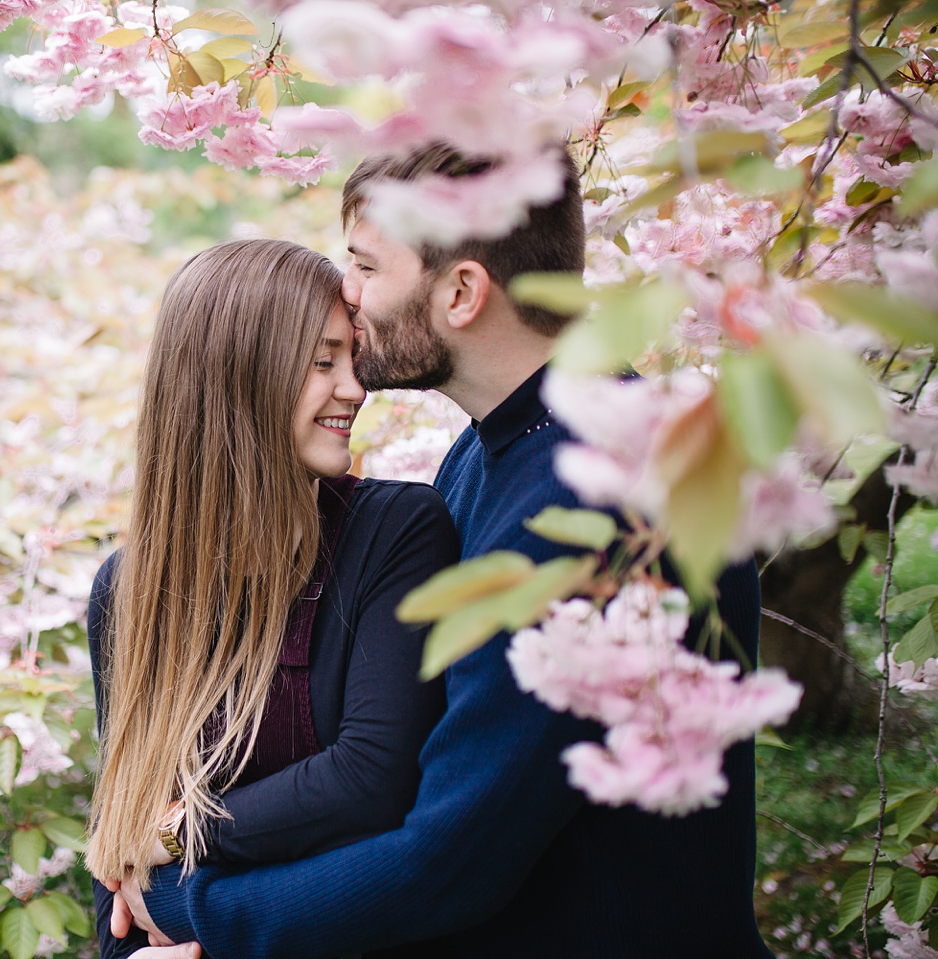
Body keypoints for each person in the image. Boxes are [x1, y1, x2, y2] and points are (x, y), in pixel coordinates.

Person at [108, 145, 775, 958]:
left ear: (460, 291)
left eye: (364, 265)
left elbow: (447, 859)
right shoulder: (505, 448)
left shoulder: (595, 500)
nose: (347, 296)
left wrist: (190, 906)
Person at [84, 237, 462, 959]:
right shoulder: (128, 591)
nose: (354, 388)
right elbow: (116, 845)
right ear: (236, 375)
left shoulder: (395, 533)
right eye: (324, 362)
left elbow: (370, 779)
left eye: (350, 358)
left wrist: (172, 831)